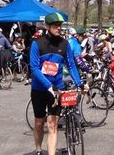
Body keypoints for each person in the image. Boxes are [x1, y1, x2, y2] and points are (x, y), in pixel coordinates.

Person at [29, 12, 82, 155]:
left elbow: (71, 65)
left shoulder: (65, 44)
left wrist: (81, 84)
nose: (59, 28)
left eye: (60, 25)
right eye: (55, 25)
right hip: (40, 89)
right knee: (39, 122)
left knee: (53, 125)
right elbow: (34, 68)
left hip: (57, 89)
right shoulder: (37, 43)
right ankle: (39, 150)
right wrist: (48, 86)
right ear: (47, 26)